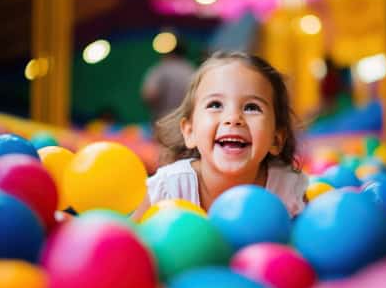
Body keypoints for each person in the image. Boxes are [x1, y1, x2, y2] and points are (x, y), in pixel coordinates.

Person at [131, 51, 308, 220]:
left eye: (251, 107)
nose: (233, 118)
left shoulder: (287, 190)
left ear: (276, 139)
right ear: (190, 132)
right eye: (215, 105)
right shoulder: (170, 188)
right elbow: (130, 237)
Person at [141, 43, 197, 121]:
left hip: (164, 120)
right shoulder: (191, 70)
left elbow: (150, 95)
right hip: (186, 120)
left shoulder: (161, 70)